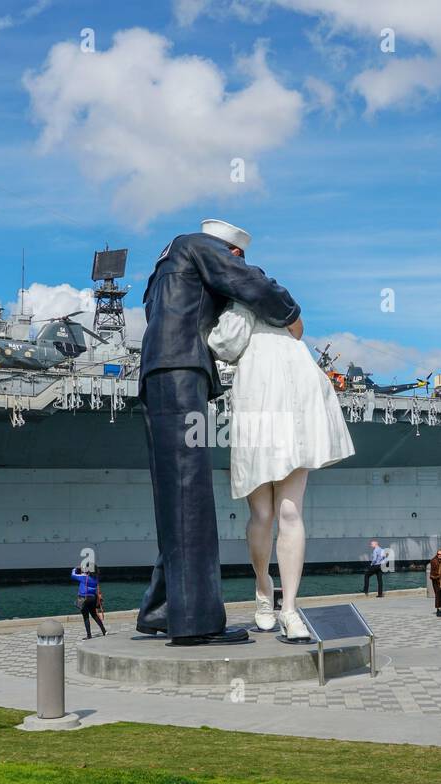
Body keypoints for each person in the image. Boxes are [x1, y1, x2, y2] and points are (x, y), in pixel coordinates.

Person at [134, 219, 301, 646]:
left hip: (157, 372)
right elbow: (253, 287)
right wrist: (290, 311)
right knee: (191, 496)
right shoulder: (203, 248)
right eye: (237, 258)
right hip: (181, 371)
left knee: (172, 498)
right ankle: (197, 622)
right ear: (232, 251)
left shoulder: (163, 265)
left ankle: (163, 608)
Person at [222, 242, 355, 641]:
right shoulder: (234, 303)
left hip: (296, 398)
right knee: (262, 515)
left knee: (291, 513)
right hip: (259, 402)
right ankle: (264, 588)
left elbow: (295, 328)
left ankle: (290, 607)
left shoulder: (265, 295)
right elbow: (227, 346)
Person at [73, 564, 106, 639]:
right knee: (94, 615)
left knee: (86, 617)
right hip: (93, 598)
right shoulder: (96, 578)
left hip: (84, 598)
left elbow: (73, 575)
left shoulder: (84, 577)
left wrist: (75, 568)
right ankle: (104, 631)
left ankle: (89, 635)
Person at [428, 549, 441, 616]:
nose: (439, 555)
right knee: (438, 595)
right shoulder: (433, 561)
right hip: (436, 580)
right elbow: (434, 572)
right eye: (438, 554)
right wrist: (440, 575)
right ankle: (438, 610)